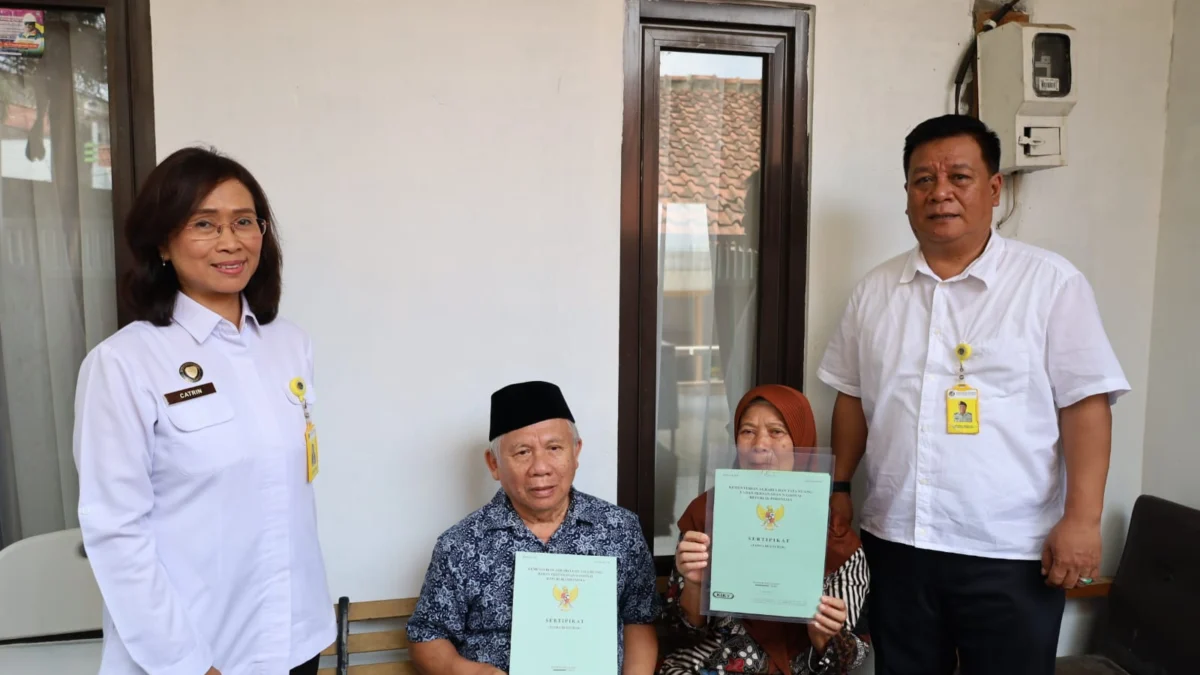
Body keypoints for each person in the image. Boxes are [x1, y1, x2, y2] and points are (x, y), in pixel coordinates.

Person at [817, 114, 1129, 675]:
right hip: (897, 542)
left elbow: (1085, 404)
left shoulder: (1051, 285)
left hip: (1009, 551)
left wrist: (1082, 519)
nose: (940, 193)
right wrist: (840, 484)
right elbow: (852, 396)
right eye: (922, 180)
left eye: (958, 177)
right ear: (907, 195)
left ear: (993, 189)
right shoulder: (875, 291)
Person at [73, 147, 335, 675]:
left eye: (244, 221)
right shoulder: (124, 363)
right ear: (164, 242)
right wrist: (187, 664)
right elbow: (116, 531)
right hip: (197, 651)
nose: (230, 241)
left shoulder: (289, 345)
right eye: (204, 224)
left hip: (294, 638)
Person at [406, 381, 660, 674]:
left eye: (554, 448)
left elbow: (639, 620)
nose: (541, 467)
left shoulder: (620, 529)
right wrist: (469, 671)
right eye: (523, 452)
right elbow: (426, 635)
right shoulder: (460, 544)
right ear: (494, 464)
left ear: (576, 452)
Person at [661, 384, 870, 675]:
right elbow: (679, 634)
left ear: (800, 442)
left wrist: (822, 632)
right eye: (747, 431)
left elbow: (848, 659)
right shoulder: (705, 517)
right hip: (708, 667)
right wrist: (695, 586)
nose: (760, 444)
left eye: (776, 432)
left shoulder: (835, 536)